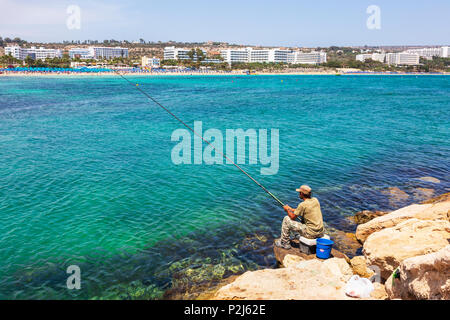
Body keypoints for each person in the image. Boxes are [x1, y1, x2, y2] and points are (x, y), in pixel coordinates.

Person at [275, 185, 325, 249]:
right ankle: (297, 235)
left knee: (286, 219)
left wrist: (287, 210)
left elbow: (292, 217)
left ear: (301, 193)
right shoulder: (315, 200)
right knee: (302, 220)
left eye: (299, 193)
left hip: (311, 234)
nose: (299, 194)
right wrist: (291, 209)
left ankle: (284, 243)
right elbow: (303, 209)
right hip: (320, 233)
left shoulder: (302, 205)